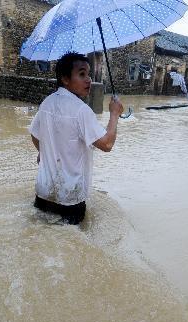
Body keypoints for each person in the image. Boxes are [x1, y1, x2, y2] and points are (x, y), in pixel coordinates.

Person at [29, 52, 124, 225]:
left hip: (44, 192)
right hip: (70, 197)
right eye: (81, 74)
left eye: (88, 74)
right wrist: (114, 114)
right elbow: (107, 144)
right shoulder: (82, 110)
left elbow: (34, 134)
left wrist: (43, 153)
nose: (88, 79)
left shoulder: (47, 103)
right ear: (65, 79)